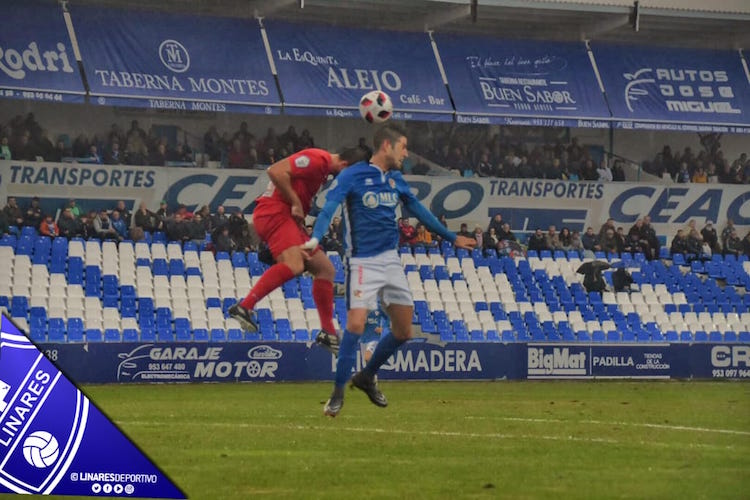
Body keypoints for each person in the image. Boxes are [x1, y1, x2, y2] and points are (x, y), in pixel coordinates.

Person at [303, 124, 476, 417]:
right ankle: (336, 393)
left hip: (391, 261)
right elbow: (329, 207)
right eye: (403, 147)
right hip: (361, 261)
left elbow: (418, 210)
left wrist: (450, 236)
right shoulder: (352, 175)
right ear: (387, 145)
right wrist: (316, 238)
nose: (406, 153)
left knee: (404, 330)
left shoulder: (395, 179)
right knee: (356, 326)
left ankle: (367, 376)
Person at [228, 145, 370, 355]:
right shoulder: (317, 159)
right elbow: (275, 171)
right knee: (294, 265)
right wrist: (295, 202)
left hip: (287, 219)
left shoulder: (323, 170)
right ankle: (244, 306)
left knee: (326, 269)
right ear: (345, 165)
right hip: (275, 212)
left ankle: (328, 333)